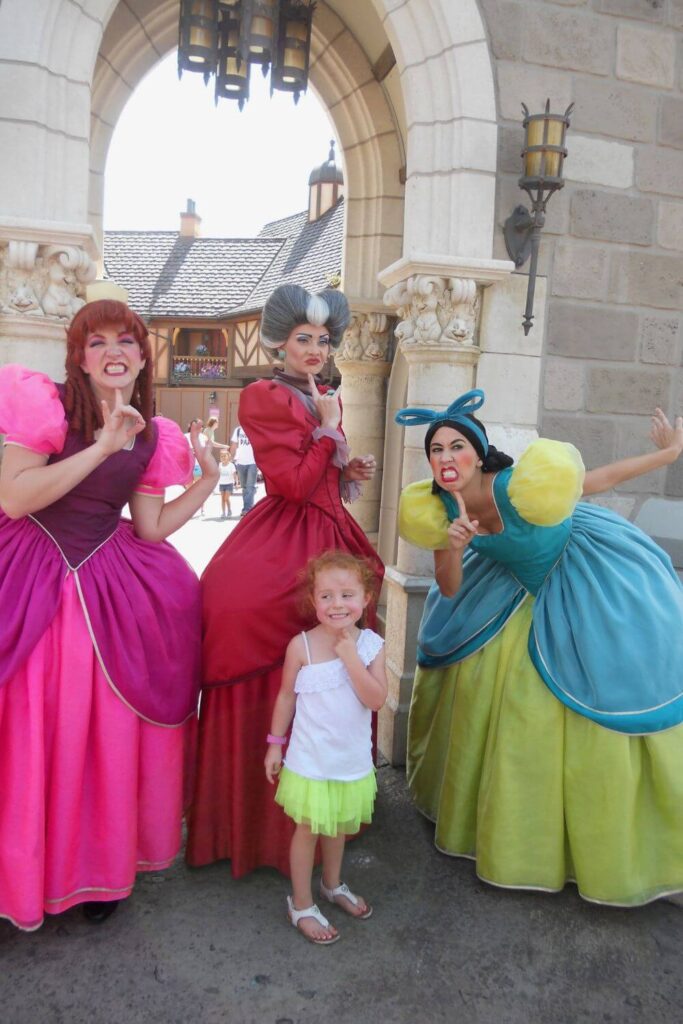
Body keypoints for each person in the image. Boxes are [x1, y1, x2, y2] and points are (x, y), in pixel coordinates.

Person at [395, 388, 683, 907]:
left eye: (455, 446)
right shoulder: (437, 507)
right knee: (488, 682)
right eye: (435, 450)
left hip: (582, 570)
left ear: (478, 453)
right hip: (508, 587)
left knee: (609, 676)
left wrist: (666, 455)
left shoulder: (521, 486)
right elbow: (451, 586)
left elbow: (598, 481)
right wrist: (454, 546)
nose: (445, 459)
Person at [0, 298, 219, 931]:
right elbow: (15, 500)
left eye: (126, 340)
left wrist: (204, 482)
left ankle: (92, 871)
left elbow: (149, 530)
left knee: (98, 735)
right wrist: (99, 447)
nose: (113, 352)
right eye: (97, 343)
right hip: (28, 573)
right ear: (79, 358)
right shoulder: (44, 407)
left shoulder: (153, 433)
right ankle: (17, 875)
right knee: (29, 732)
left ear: (142, 355)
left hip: (103, 580)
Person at [187, 283, 384, 879]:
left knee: (350, 621)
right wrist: (327, 435)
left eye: (324, 340)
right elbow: (292, 486)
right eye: (304, 339)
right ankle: (254, 825)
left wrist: (347, 466)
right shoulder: (263, 395)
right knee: (262, 621)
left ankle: (334, 811)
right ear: (280, 342)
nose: (316, 348)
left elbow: (321, 478)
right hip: (283, 536)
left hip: (327, 531)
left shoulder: (324, 395)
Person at [265, 551, 387, 945]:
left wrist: (351, 658)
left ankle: (332, 884)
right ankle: (300, 903)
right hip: (310, 761)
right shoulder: (300, 645)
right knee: (308, 828)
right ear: (314, 600)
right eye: (327, 596)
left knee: (336, 826)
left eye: (347, 595)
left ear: (366, 598)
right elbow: (285, 698)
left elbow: (376, 700)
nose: (337, 605)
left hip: (348, 759)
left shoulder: (371, 645)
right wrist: (274, 746)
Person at [229, 422, 257, 515]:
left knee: (249, 486)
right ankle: (250, 504)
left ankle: (247, 508)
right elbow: (234, 445)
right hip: (240, 462)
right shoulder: (238, 430)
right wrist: (231, 458)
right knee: (244, 487)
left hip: (253, 462)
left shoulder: (255, 429)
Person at [218, 450, 236, 518]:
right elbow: (218, 473)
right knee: (222, 499)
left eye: (225, 456)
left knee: (226, 498)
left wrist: (236, 483)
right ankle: (223, 512)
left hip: (229, 484)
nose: (223, 457)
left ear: (228, 456)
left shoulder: (231, 465)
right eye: (222, 456)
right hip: (222, 484)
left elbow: (234, 474)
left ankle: (229, 510)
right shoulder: (220, 464)